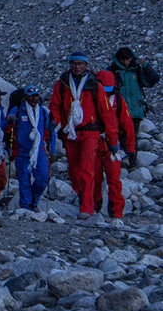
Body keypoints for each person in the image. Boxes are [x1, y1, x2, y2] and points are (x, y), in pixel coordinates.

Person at [49, 51, 120, 219]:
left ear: (86, 65)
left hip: (90, 132)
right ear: (69, 65)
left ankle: (87, 208)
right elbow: (55, 106)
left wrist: (113, 139)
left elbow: (107, 114)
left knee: (87, 170)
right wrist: (52, 123)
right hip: (70, 133)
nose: (77, 67)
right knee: (74, 172)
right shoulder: (62, 84)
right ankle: (85, 198)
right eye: (74, 63)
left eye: (80, 64)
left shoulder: (94, 85)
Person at [93, 69, 136, 221]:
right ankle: (95, 206)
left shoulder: (118, 100)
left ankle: (116, 212)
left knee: (114, 179)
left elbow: (128, 124)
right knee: (95, 177)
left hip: (112, 146)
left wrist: (130, 148)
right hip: (95, 143)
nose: (107, 93)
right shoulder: (90, 98)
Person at [5, 85, 56, 211]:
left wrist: (53, 150)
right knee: (24, 180)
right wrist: (10, 120)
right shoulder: (18, 110)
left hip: (39, 151)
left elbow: (51, 131)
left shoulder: (43, 112)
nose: (33, 99)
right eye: (31, 96)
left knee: (43, 178)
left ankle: (34, 199)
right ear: (25, 97)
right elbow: (7, 123)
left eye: (36, 96)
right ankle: (26, 206)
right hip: (21, 151)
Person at [109, 47, 159, 165]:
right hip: (119, 110)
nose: (126, 62)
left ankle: (130, 162)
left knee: (132, 137)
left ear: (132, 58)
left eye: (128, 59)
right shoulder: (112, 71)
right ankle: (122, 161)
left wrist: (145, 65)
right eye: (123, 59)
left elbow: (153, 79)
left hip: (135, 110)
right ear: (119, 59)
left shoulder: (137, 69)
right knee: (120, 135)